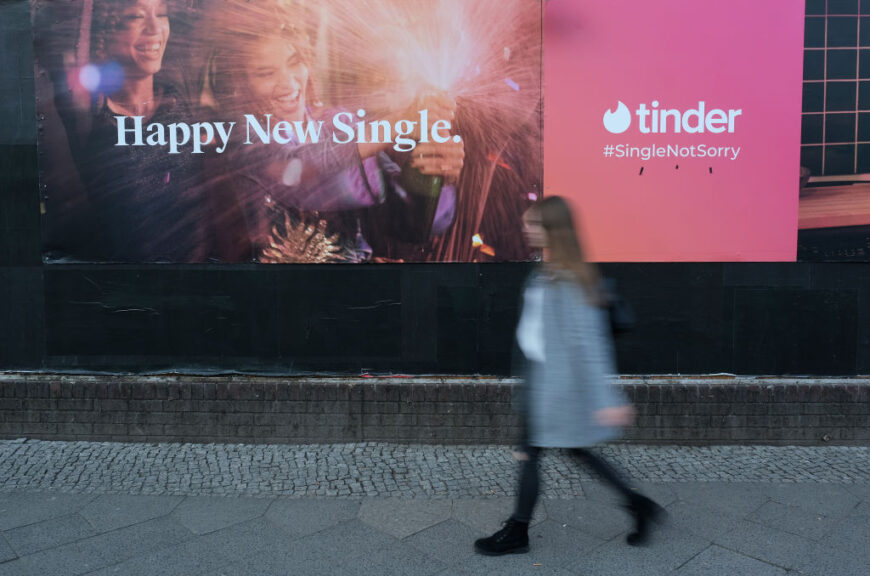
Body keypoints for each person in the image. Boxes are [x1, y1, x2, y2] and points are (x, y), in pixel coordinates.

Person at [201, 0, 465, 263]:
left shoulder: (340, 124)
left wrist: (432, 174)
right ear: (238, 84)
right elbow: (300, 172)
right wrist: (396, 124)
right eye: (265, 73)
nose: (289, 82)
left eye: (295, 62)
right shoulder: (241, 141)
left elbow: (407, 222)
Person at [474, 196, 664, 556]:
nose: (526, 229)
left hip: (559, 388)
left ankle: (518, 531)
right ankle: (638, 505)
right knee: (576, 452)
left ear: (553, 230)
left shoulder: (573, 280)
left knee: (533, 453)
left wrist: (607, 400)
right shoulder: (547, 271)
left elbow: (590, 345)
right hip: (542, 381)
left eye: (533, 224)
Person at [50, 0, 206, 262]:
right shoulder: (89, 117)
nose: (155, 28)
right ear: (105, 31)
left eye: (162, 14)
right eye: (136, 16)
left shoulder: (181, 98)